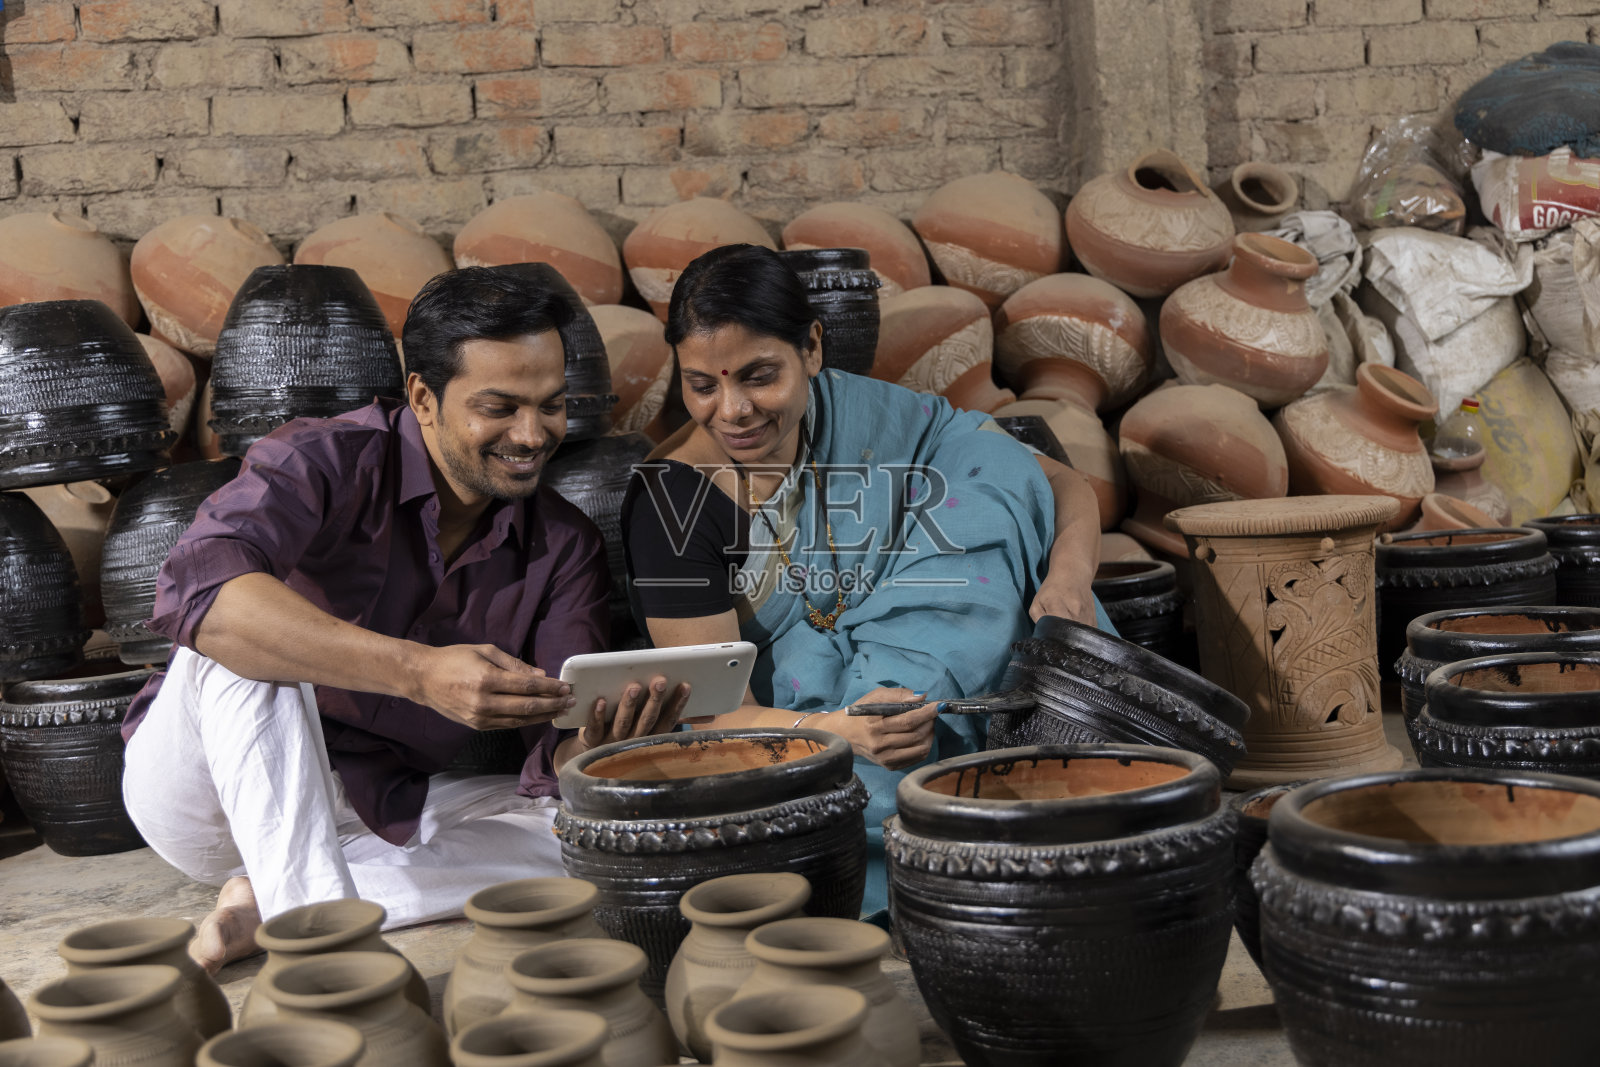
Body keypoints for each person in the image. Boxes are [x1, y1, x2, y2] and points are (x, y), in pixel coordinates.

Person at [122, 266, 688, 974]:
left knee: (582, 831)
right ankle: (318, 948)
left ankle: (267, 902)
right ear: (422, 396)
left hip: (369, 807)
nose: (532, 433)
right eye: (500, 406)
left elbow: (560, 763)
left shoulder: (562, 543)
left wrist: (602, 746)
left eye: (551, 404)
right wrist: (417, 672)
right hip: (205, 797)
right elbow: (200, 593)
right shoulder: (320, 459)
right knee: (241, 635)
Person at [621, 244, 1110, 916]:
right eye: (702, 385)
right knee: (873, 746)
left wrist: (1067, 579)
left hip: (924, 661)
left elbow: (1059, 480)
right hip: (794, 721)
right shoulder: (673, 504)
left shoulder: (863, 414)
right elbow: (708, 709)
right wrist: (838, 730)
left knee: (985, 492)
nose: (732, 410)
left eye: (760, 376)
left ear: (813, 350)